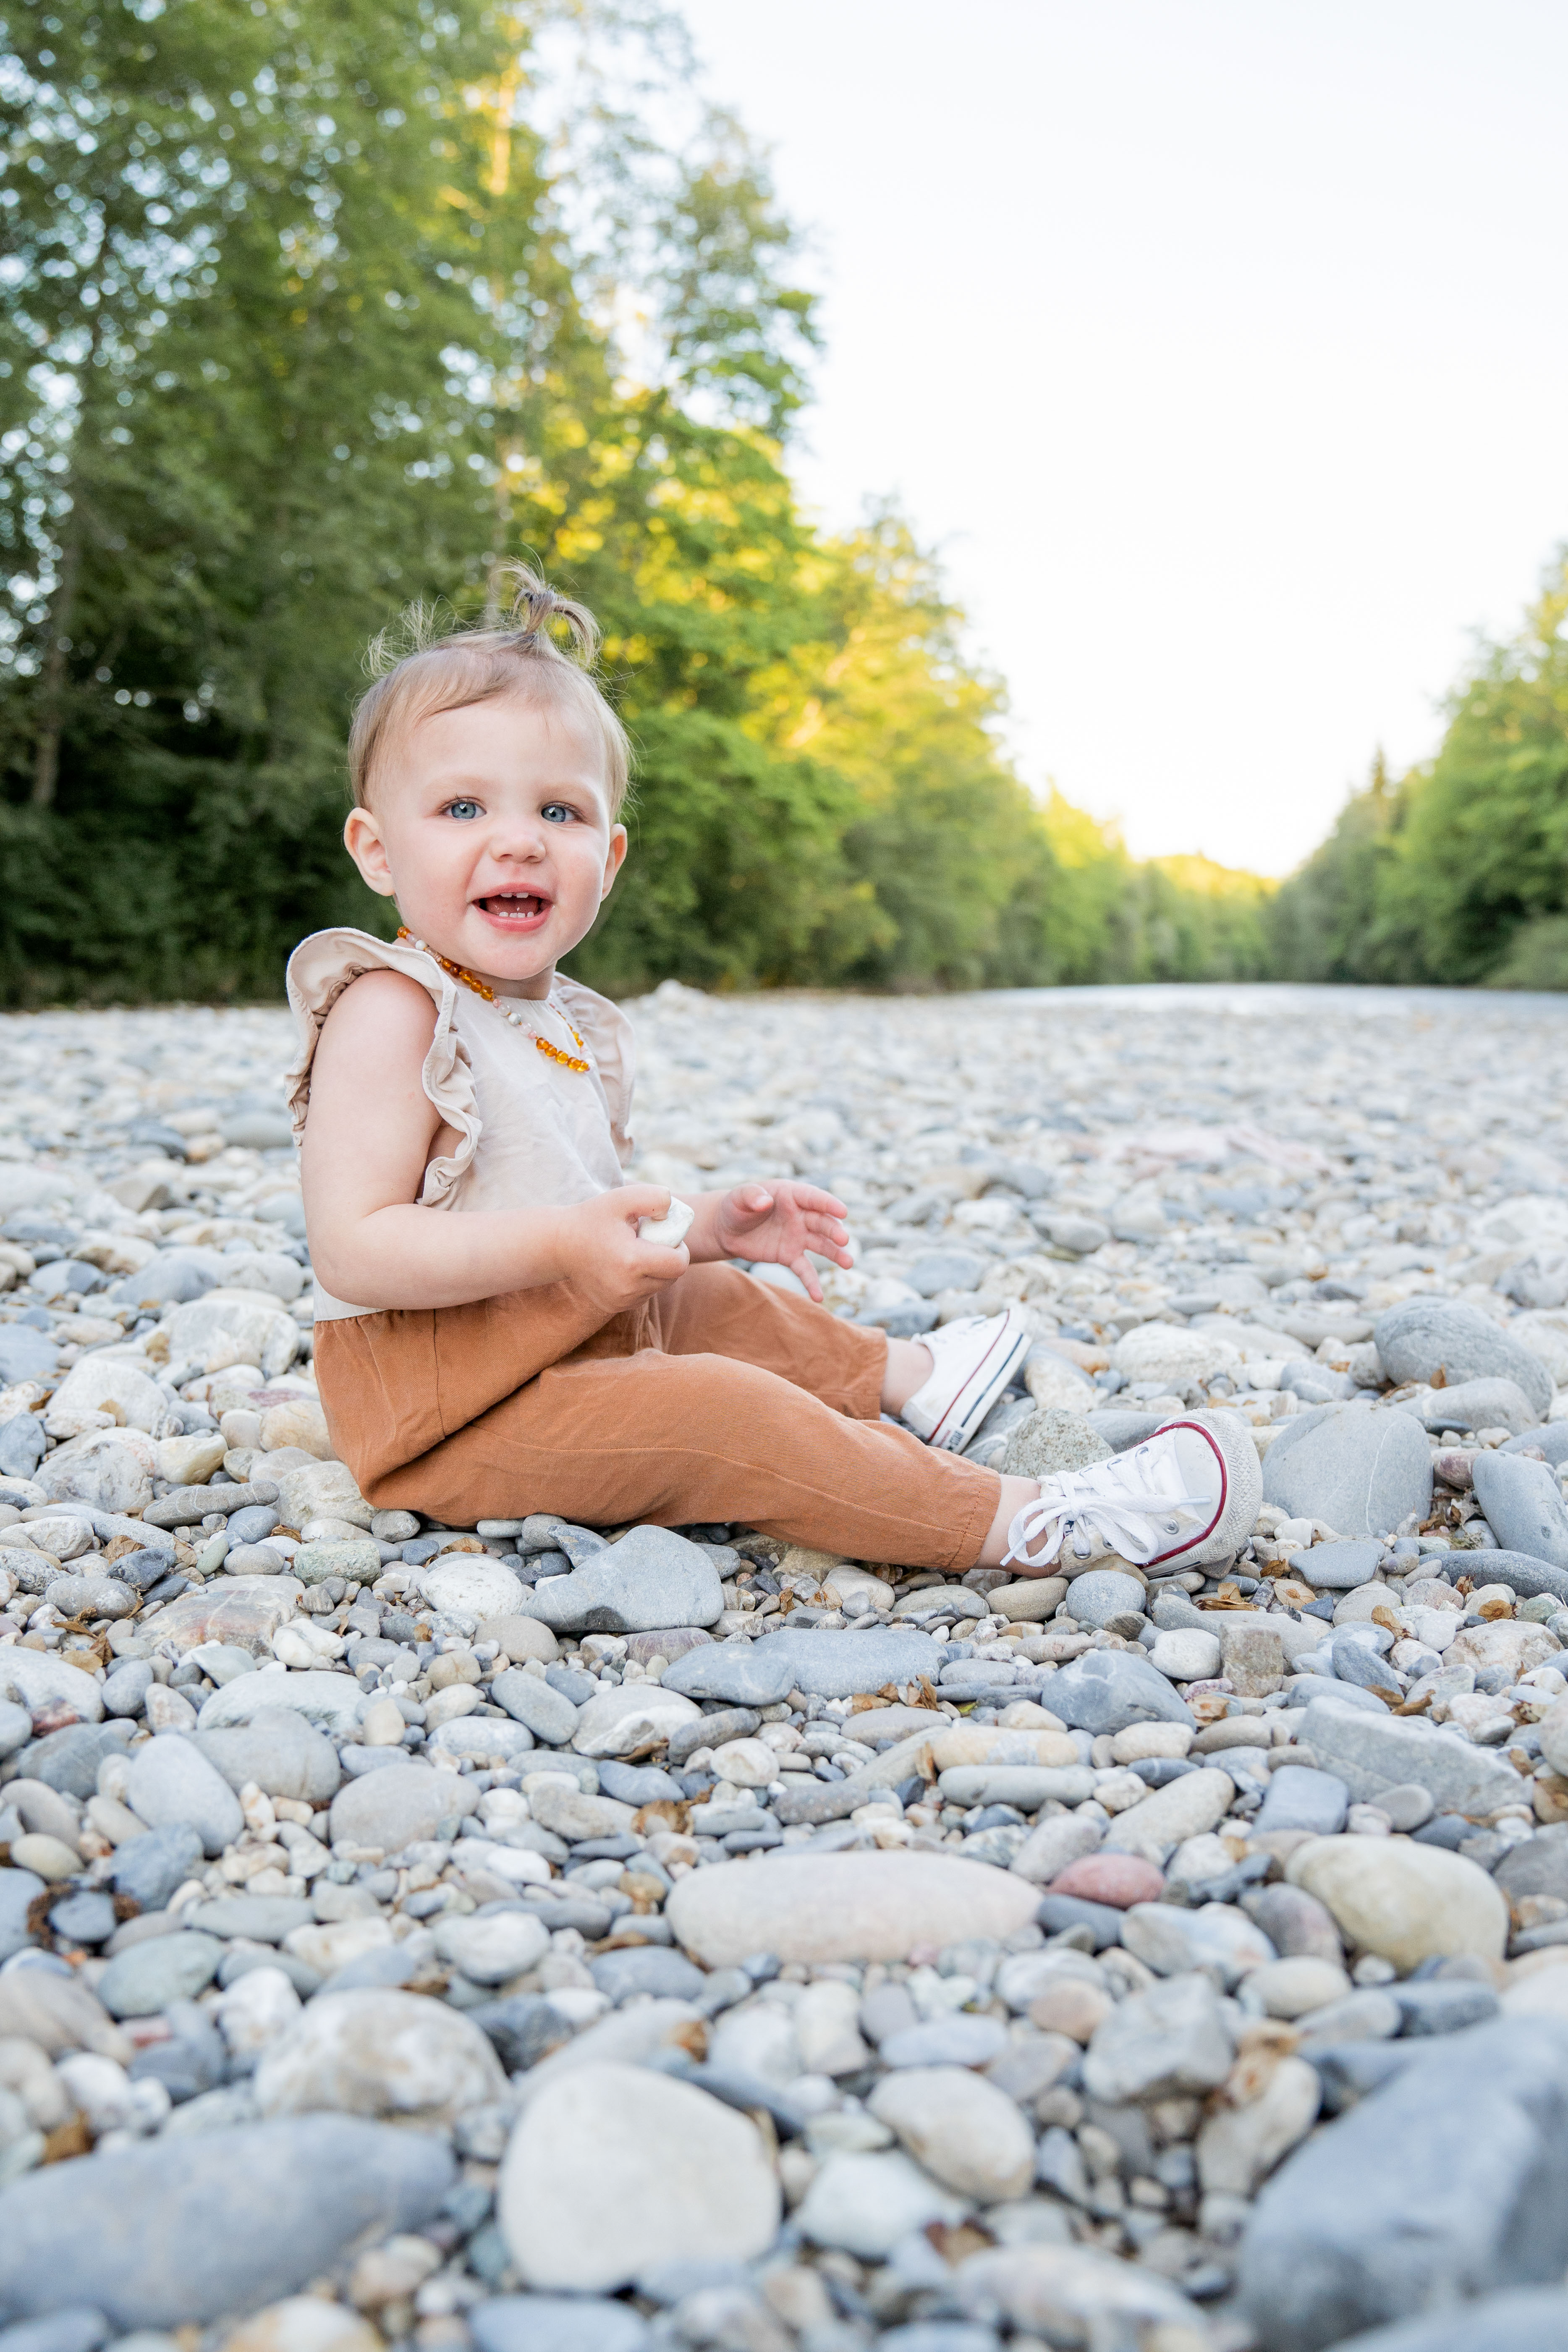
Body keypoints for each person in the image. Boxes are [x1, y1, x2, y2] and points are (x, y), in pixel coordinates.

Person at [287, 567, 1258, 1576]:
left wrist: (701, 1226)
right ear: (377, 851)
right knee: (716, 1413)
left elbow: (553, 1196)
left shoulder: (551, 1015)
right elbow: (354, 1249)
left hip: (541, 1335)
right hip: (447, 1414)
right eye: (461, 807)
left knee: (706, 1296)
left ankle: (909, 1378)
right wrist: (568, 1246)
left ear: (608, 861)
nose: (521, 841)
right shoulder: (392, 1009)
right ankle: (1034, 1523)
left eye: (560, 813)